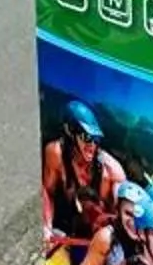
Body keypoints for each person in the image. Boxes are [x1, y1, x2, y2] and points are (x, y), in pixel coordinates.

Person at [42, 101, 126, 256]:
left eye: (96, 139)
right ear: (70, 132)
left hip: (103, 243)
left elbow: (124, 220)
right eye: (87, 137)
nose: (92, 145)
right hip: (69, 231)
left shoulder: (112, 173)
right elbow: (47, 191)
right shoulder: (55, 154)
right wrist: (46, 226)